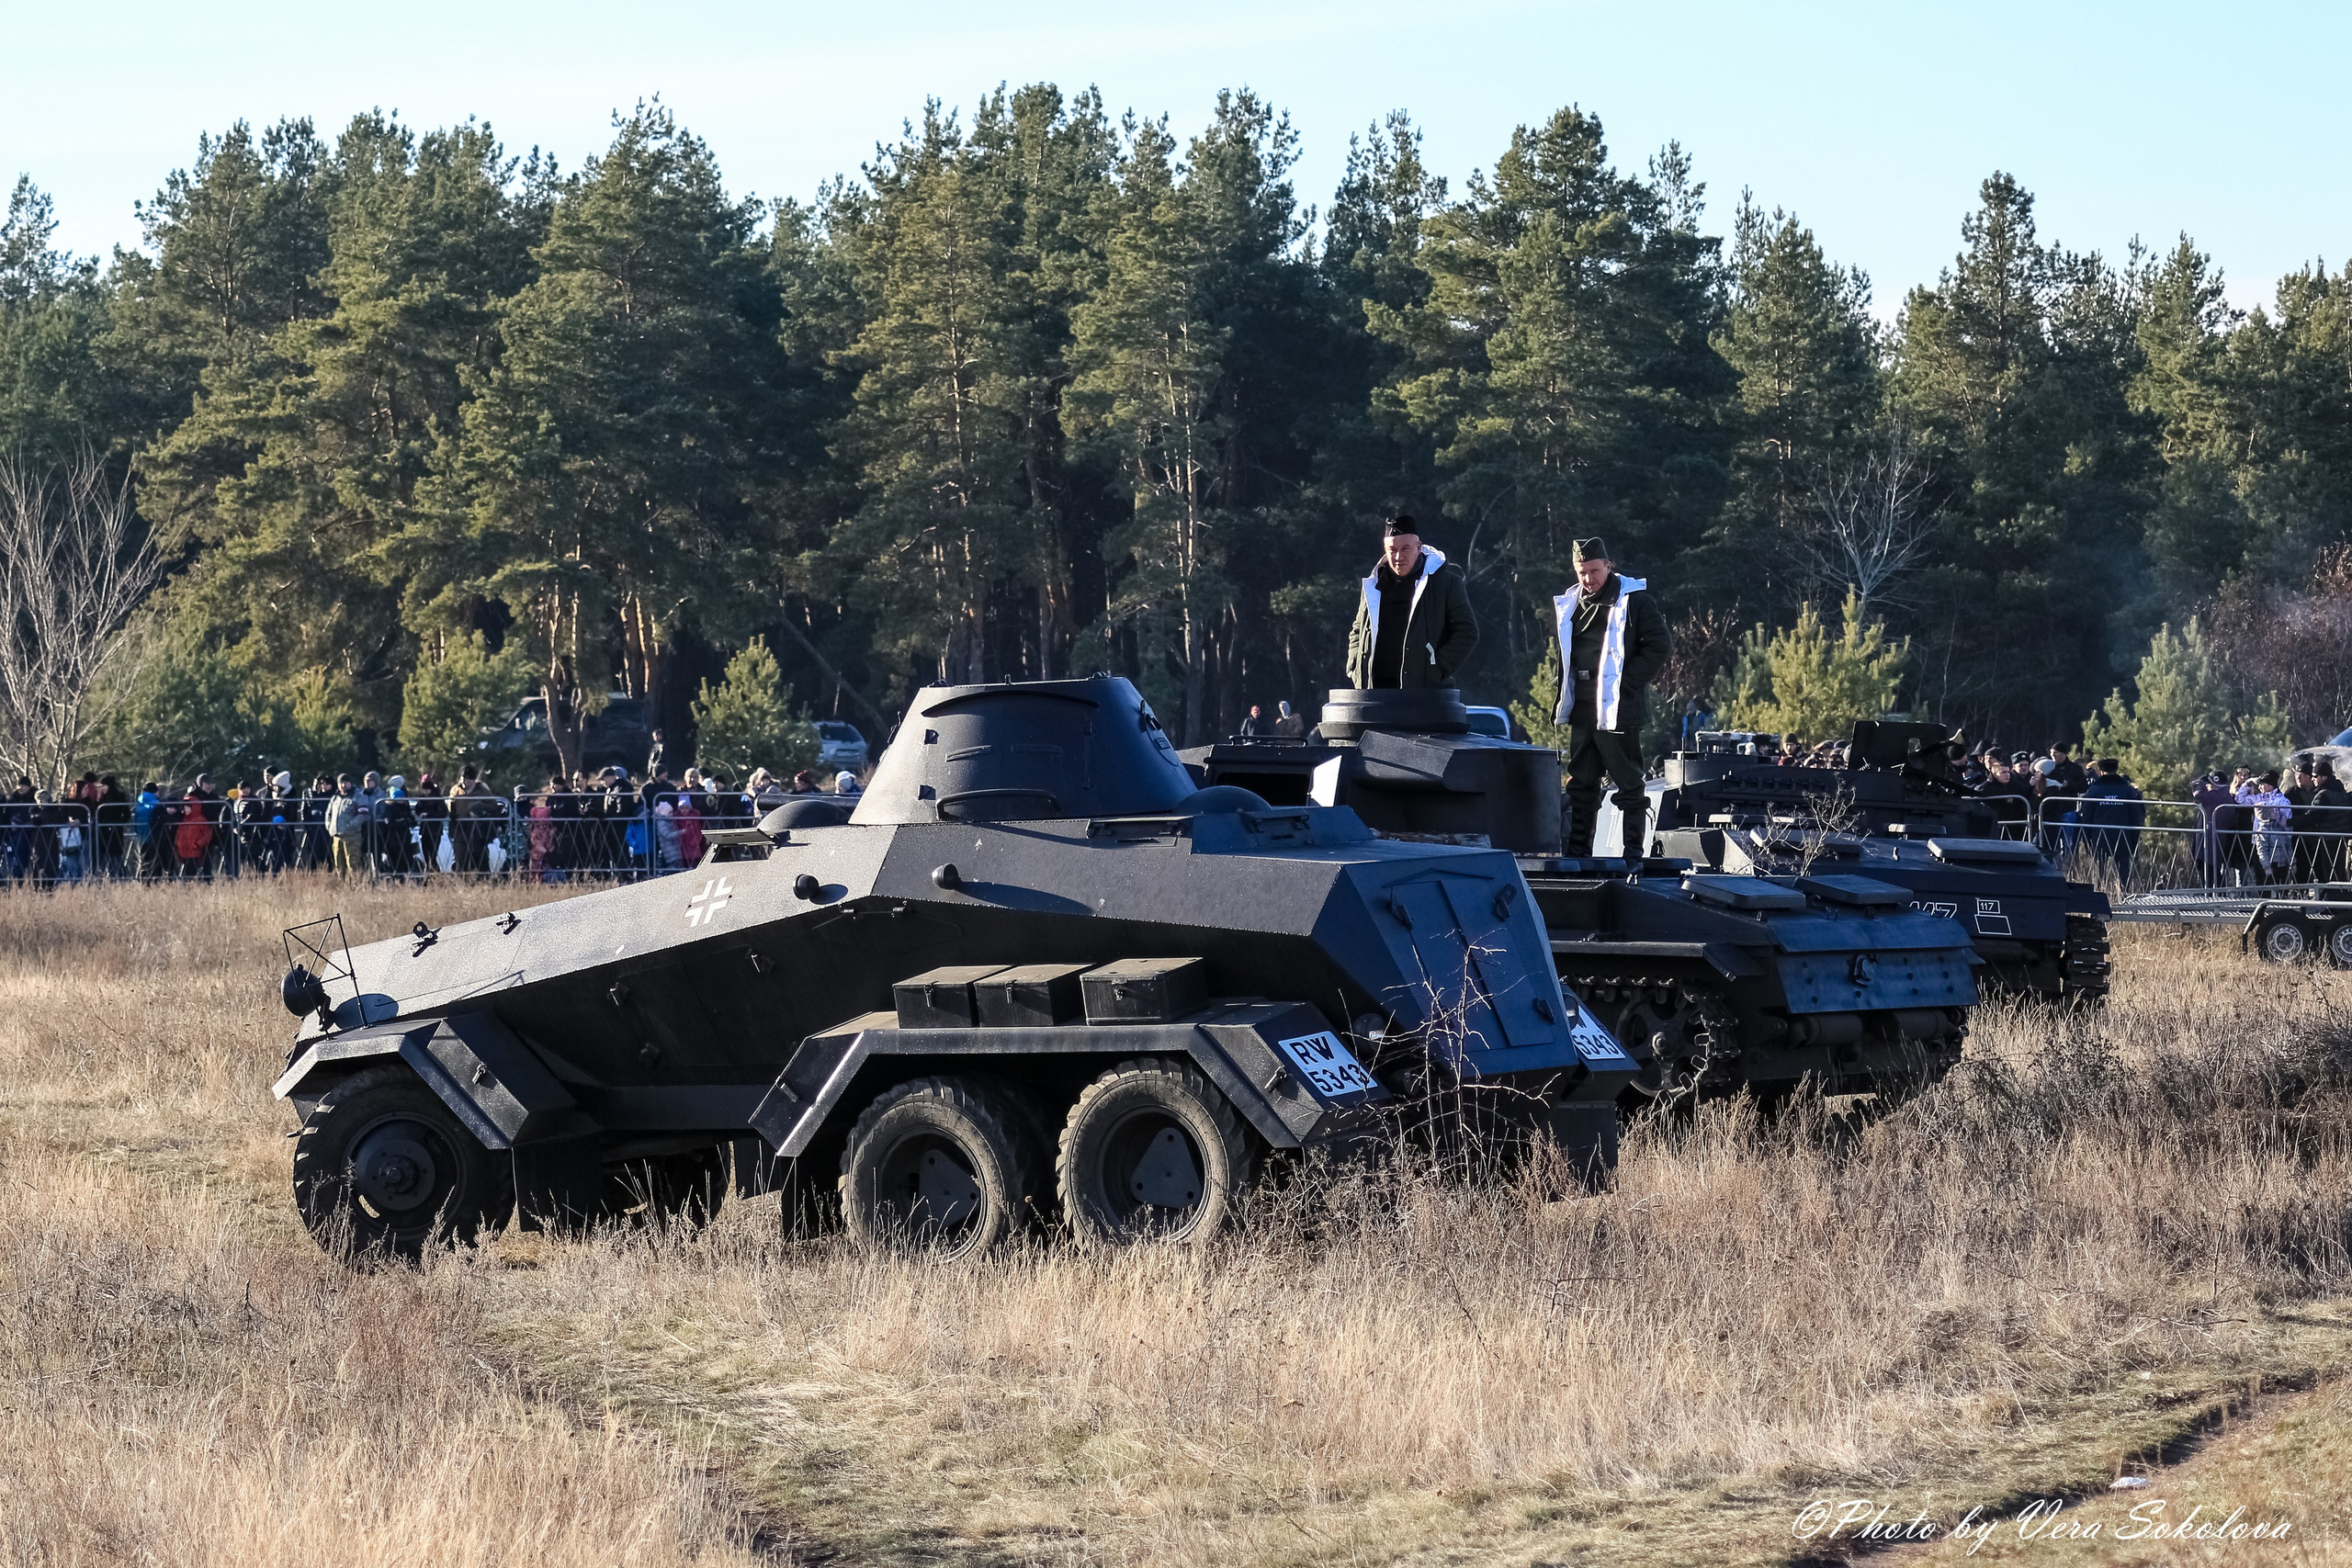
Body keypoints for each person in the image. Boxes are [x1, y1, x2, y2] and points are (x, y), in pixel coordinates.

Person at [1552, 536, 1669, 858]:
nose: (1588, 579)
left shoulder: (1634, 601)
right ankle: (1577, 855)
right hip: (1583, 705)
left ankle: (1633, 854)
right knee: (1580, 782)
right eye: (1581, 572)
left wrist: (1626, 683)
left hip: (1618, 707)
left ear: (1608, 565)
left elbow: (1659, 645)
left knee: (1628, 781)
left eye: (1594, 570)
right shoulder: (1571, 603)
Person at [1344, 513, 1477, 691]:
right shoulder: (1373, 585)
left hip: (1424, 696)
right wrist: (1354, 666)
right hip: (1374, 695)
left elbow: (1467, 631)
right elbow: (1357, 631)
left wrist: (1437, 667)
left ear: (1419, 547)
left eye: (1405, 548)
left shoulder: (1445, 582)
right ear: (1385, 550)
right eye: (1393, 550)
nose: (1399, 557)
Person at [2078, 758, 2146, 888]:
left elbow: (2086, 816)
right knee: (2124, 873)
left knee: (2099, 874)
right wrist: (2134, 840)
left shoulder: (2094, 790)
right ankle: (2125, 899)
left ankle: (2099, 898)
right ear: (2116, 770)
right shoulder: (2127, 790)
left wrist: (2086, 840)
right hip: (2123, 836)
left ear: (2101, 772)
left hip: (2099, 836)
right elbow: (2135, 816)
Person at [2239, 769, 2294, 884]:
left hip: (2277, 844)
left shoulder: (2282, 800)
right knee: (2260, 874)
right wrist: (2247, 783)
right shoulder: (2259, 798)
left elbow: (2287, 825)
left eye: (2263, 784)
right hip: (2258, 840)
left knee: (2277, 875)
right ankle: (2262, 898)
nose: (2260, 787)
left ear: (2271, 785)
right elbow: (2240, 799)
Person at [324, 775, 368, 879]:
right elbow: (328, 814)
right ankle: (342, 888)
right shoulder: (335, 798)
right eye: (341, 783)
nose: (343, 785)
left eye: (346, 783)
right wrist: (329, 826)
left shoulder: (358, 796)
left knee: (354, 865)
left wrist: (351, 826)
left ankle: (356, 887)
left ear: (350, 783)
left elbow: (364, 814)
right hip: (336, 837)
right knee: (339, 865)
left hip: (352, 837)